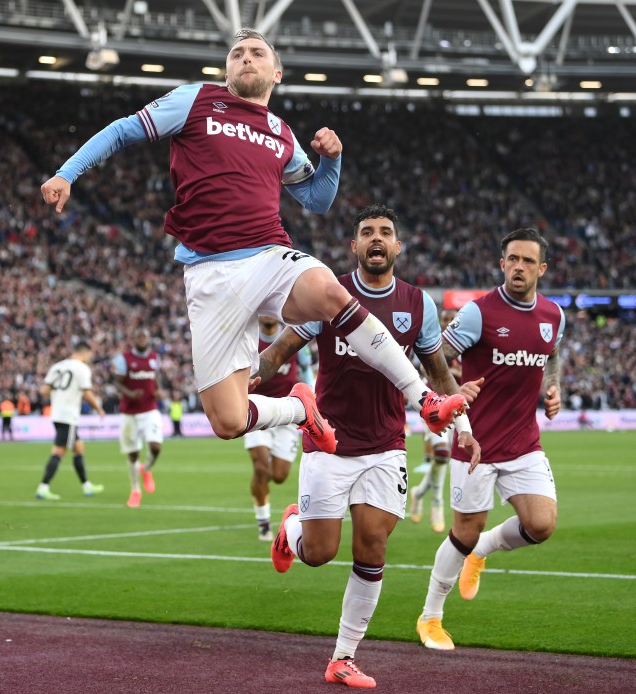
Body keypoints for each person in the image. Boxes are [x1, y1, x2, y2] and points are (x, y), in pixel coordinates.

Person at [40, 28, 466, 462]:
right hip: (209, 273)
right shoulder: (196, 99)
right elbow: (122, 131)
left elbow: (317, 200)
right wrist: (66, 173)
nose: (246, 58)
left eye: (257, 53)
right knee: (227, 420)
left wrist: (332, 160)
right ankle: (301, 409)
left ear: (275, 73)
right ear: (226, 70)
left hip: (267, 255)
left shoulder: (281, 132)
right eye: (237, 53)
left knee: (332, 293)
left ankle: (424, 399)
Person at [255, 204, 482, 688]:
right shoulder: (330, 294)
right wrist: (253, 376)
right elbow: (281, 351)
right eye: (367, 233)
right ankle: (290, 529)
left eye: (385, 232)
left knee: (372, 546)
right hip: (329, 442)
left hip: (385, 446)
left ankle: (342, 658)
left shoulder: (418, 304)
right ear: (354, 246)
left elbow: (437, 372)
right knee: (318, 553)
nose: (376, 239)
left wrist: (463, 425)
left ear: (398, 246)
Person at [416, 227, 564, 652]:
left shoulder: (553, 316)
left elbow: (552, 356)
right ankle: (430, 618)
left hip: (524, 443)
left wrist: (553, 390)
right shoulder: (479, 314)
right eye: (512, 259)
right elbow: (435, 358)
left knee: (542, 523)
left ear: (542, 268)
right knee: (463, 532)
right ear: (502, 264)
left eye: (528, 261)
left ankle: (482, 552)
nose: (519, 267)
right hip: (474, 443)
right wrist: (454, 389)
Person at [245, 316, 313, 541]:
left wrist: (312, 399)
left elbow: (305, 370)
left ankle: (281, 512)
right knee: (261, 467)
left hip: (287, 412)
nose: (268, 315)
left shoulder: (292, 338)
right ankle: (263, 523)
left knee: (280, 475)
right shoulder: (250, 340)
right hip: (256, 409)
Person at [35, 343, 106, 501]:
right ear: (85, 353)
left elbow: (44, 391)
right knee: (59, 452)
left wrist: (60, 395)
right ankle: (43, 487)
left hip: (57, 413)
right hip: (68, 416)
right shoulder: (82, 368)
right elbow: (87, 393)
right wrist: (99, 409)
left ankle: (87, 486)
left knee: (79, 447)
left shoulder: (57, 366)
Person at [410, 309, 458, 533]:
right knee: (441, 453)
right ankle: (437, 501)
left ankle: (419, 493)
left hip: (458, 407)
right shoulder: (432, 342)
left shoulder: (465, 345)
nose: (448, 323)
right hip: (433, 405)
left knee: (445, 458)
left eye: (452, 320)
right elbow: (422, 367)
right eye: (445, 319)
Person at [112, 328, 164, 508]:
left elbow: (156, 377)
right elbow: (117, 382)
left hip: (150, 409)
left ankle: (146, 469)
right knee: (133, 454)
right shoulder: (124, 359)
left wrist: (158, 391)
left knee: (156, 447)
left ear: (149, 339)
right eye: (139, 336)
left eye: (145, 336)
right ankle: (135, 490)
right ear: (134, 339)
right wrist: (130, 393)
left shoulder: (154, 358)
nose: (142, 339)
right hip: (130, 412)